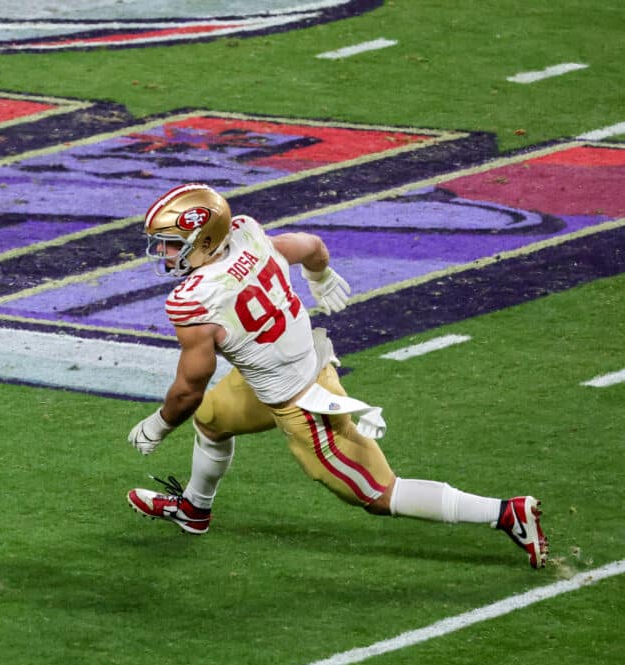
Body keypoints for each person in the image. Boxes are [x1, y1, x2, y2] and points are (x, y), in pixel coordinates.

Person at [126, 183, 548, 569]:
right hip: (276, 374)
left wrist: (159, 425)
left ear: (204, 240)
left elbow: (189, 387)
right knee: (212, 420)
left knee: (381, 495)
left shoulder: (195, 301)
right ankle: (195, 511)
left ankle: (505, 513)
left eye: (169, 244)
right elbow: (311, 246)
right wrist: (321, 275)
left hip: (304, 405)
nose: (164, 253)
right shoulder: (247, 235)